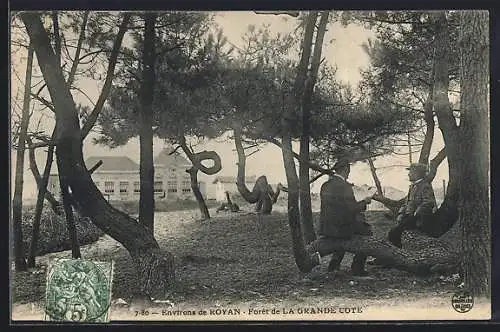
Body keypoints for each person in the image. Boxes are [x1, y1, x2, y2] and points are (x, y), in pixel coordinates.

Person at [308, 158, 373, 276]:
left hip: (327, 227)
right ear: (345, 170)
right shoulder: (345, 186)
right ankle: (357, 267)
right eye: (348, 171)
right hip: (340, 228)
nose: (348, 174)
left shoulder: (325, 185)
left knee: (343, 237)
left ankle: (335, 263)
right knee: (367, 232)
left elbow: (337, 208)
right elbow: (351, 209)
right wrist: (365, 202)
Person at [387, 163, 437, 248]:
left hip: (419, 218)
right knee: (393, 233)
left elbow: (429, 202)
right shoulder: (413, 186)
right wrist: (400, 214)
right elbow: (406, 203)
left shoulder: (425, 186)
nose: (408, 174)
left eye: (411, 172)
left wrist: (415, 213)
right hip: (409, 216)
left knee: (393, 233)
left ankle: (396, 254)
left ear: (417, 173)